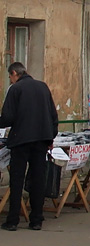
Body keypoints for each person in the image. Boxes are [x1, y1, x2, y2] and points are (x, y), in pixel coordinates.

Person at [0, 62, 58, 231]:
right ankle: (36, 219)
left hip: (21, 140)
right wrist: (50, 137)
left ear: (14, 73)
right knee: (38, 178)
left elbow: (7, 117)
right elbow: (53, 115)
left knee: (17, 179)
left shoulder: (15, 89)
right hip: (41, 139)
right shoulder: (43, 87)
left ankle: (13, 220)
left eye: (10, 77)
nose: (10, 80)